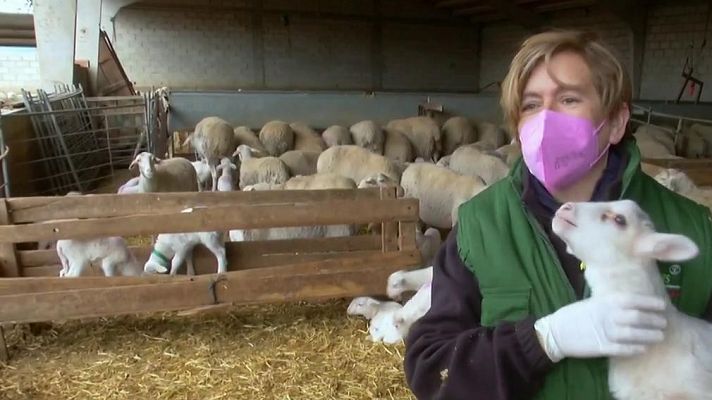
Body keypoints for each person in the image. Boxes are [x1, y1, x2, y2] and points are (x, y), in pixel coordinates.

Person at [403, 30, 712, 400]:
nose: (546, 120)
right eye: (531, 105)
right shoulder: (480, 227)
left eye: (568, 99)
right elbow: (431, 371)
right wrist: (541, 341)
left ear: (615, 122)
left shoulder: (692, 230)